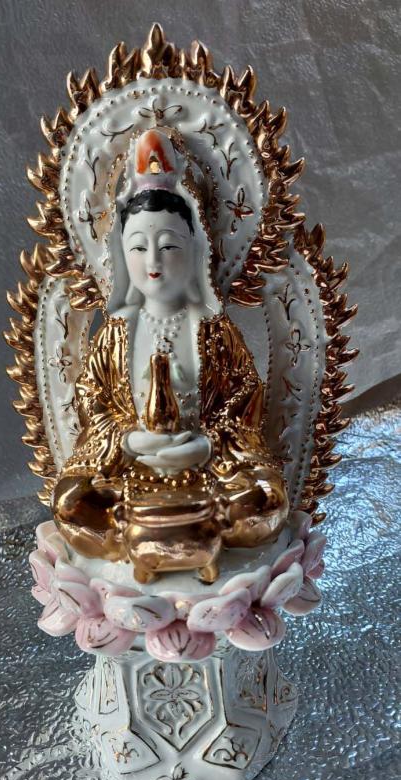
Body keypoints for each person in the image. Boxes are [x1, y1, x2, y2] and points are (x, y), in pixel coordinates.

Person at [52, 129, 288, 579]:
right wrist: (126, 441)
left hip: (211, 469)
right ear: (121, 254)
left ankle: (159, 537)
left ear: (196, 250)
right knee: (72, 506)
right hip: (129, 470)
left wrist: (209, 442)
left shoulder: (214, 329)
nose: (153, 262)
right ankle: (178, 537)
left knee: (265, 502)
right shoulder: (117, 333)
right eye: (138, 247)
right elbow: (91, 399)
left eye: (169, 245)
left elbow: (244, 396)